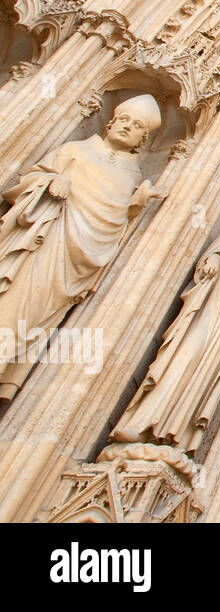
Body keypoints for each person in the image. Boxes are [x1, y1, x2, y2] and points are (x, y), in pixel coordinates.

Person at [0, 95, 166, 401]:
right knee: (9, 310)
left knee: (31, 323)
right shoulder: (75, 151)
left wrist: (135, 203)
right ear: (111, 122)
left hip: (74, 267)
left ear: (143, 139)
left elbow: (112, 222)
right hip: (45, 242)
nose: (127, 127)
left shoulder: (132, 175)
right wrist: (53, 180)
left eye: (137, 126)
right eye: (124, 120)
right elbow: (30, 179)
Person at [109, 187, 220, 455]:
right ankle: (143, 422)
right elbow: (212, 255)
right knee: (185, 356)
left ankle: (178, 436)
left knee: (210, 370)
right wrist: (214, 259)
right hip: (213, 307)